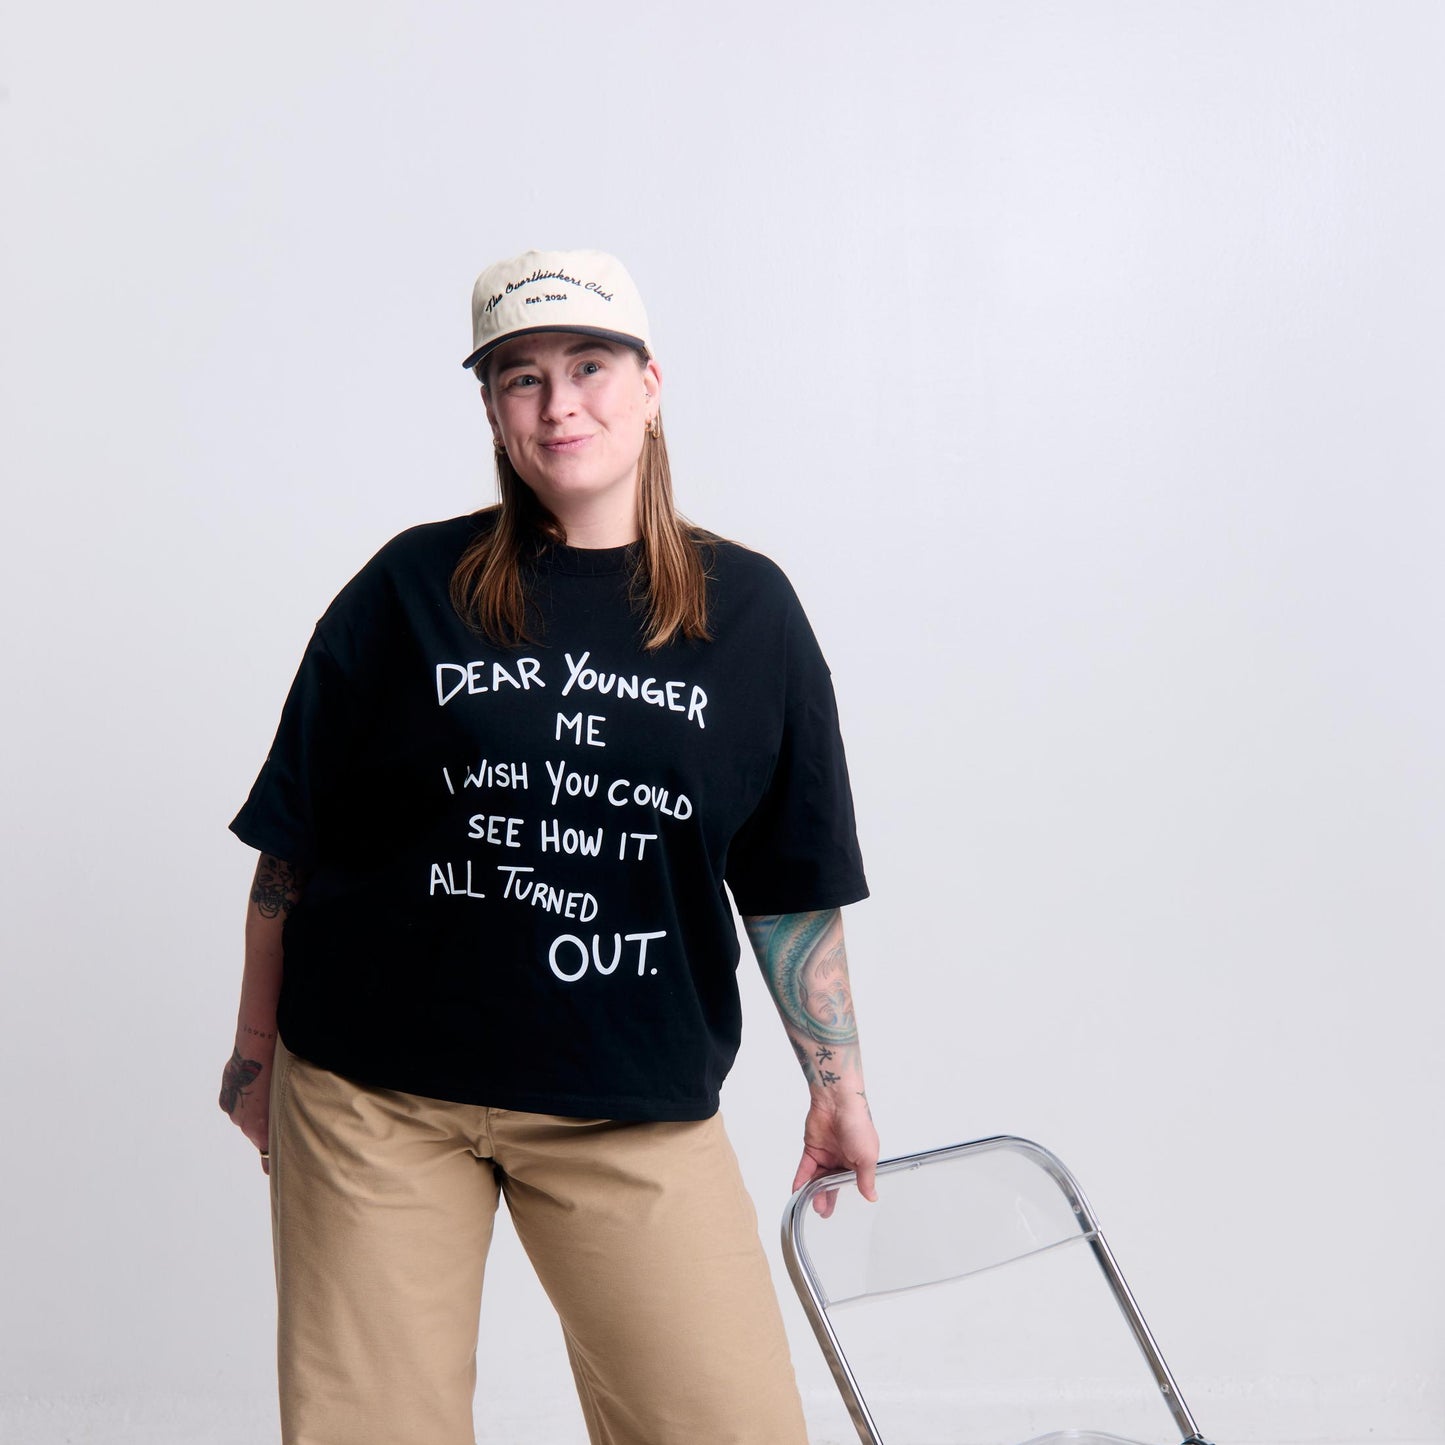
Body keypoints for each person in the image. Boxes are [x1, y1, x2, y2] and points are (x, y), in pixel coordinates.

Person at [220, 247, 878, 1445]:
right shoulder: (409, 588)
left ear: (650, 381)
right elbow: (289, 849)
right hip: (376, 1096)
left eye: (587, 365)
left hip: (628, 1098)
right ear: (489, 408)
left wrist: (836, 1085)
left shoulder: (751, 615)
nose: (558, 402)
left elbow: (787, 883)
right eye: (519, 376)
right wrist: (256, 1053)